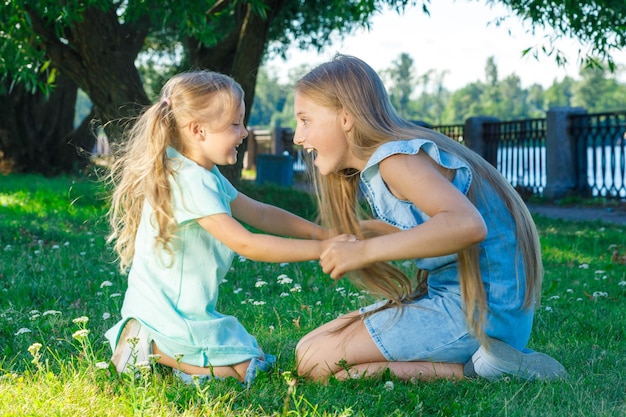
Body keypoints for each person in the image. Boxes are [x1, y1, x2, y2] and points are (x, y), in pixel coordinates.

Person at [292, 54, 568, 382]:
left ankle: (482, 371)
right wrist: (359, 232)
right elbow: (423, 227)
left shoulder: (396, 161)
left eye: (305, 120)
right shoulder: (397, 156)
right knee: (309, 347)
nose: (297, 137)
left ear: (346, 117)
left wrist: (364, 252)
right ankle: (487, 364)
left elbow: (467, 224)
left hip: (482, 316)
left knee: (315, 360)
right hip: (476, 307)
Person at [104, 70, 343, 386]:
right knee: (247, 370)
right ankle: (150, 346)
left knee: (251, 358)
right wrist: (324, 250)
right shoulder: (190, 180)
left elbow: (261, 214)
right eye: (234, 124)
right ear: (198, 130)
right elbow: (246, 243)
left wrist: (323, 233)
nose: (244, 132)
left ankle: (157, 349)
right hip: (168, 318)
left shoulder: (200, 173)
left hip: (170, 311)